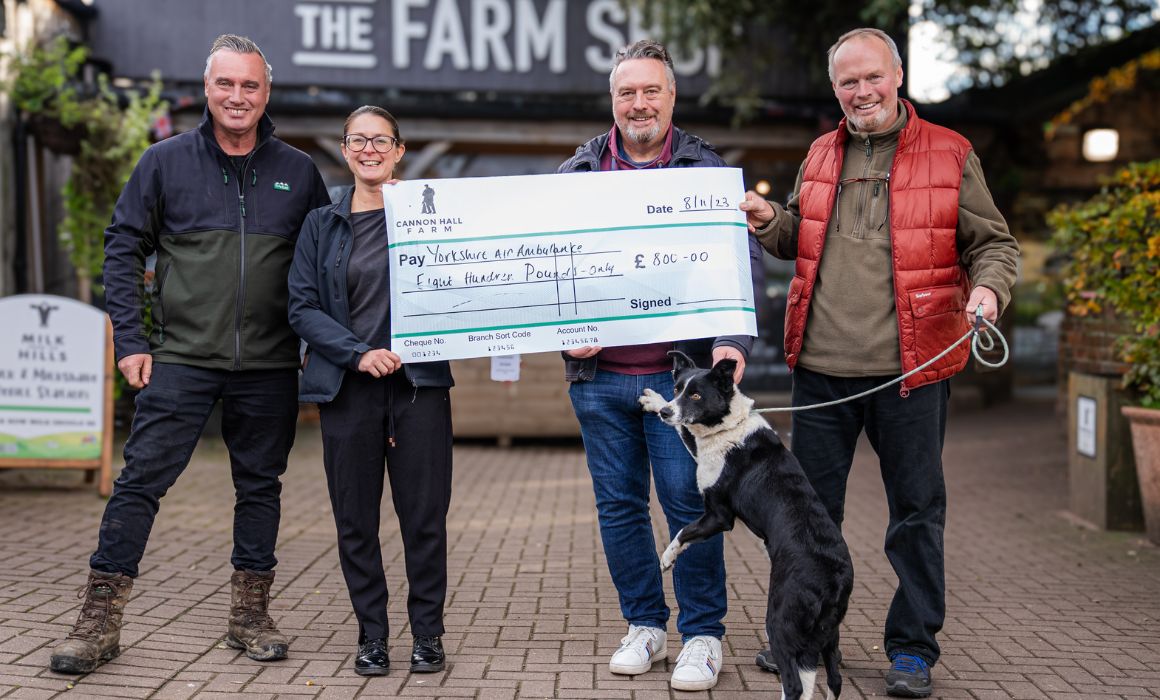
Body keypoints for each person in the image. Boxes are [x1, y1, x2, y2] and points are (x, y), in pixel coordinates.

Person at [739, 28, 1020, 698]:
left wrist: (989, 289)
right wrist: (762, 216)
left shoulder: (951, 153)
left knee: (916, 512)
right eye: (847, 82)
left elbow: (995, 245)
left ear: (897, 75)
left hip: (911, 373)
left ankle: (913, 649)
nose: (861, 92)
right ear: (836, 88)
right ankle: (802, 637)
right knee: (807, 522)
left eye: (872, 77)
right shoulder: (819, 152)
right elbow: (794, 236)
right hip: (822, 370)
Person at [49, 34, 331, 674]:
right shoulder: (164, 162)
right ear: (207, 89)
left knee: (260, 487)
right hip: (180, 358)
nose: (238, 97)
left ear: (266, 93)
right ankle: (98, 620)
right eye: (226, 84)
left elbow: (324, 267)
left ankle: (249, 614)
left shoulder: (300, 171)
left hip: (269, 364)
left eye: (250, 86)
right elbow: (122, 247)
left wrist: (323, 351)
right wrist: (132, 339)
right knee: (141, 482)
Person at [557, 39, 764, 692]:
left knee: (686, 501)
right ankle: (644, 624)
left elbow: (741, 258)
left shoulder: (706, 172)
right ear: (611, 100)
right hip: (600, 381)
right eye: (627, 92)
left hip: (683, 385)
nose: (638, 103)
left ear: (672, 98)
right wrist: (566, 332)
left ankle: (703, 635)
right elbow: (550, 267)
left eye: (651, 91)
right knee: (619, 507)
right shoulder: (577, 175)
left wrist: (733, 339)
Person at [288, 106, 454, 677]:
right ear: (345, 148)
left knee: (424, 519)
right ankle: (373, 637)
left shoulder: (434, 217)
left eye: (380, 140)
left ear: (399, 150)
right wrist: (357, 352)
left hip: (419, 389)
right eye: (358, 140)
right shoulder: (320, 223)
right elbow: (302, 307)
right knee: (355, 519)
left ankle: (428, 636)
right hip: (348, 390)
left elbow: (473, 281)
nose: (369, 149)